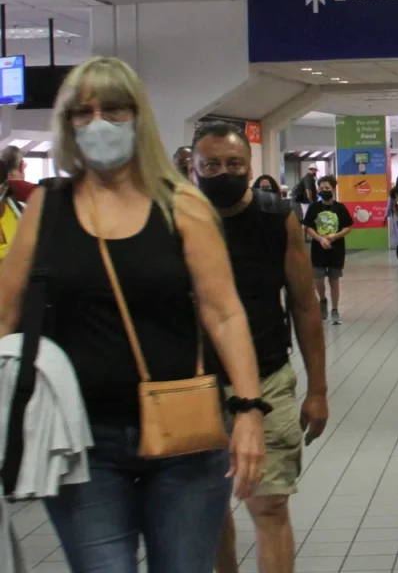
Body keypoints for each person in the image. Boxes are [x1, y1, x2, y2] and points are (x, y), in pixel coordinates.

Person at [0, 57, 265, 572]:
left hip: (186, 436)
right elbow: (6, 314)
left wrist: (250, 410)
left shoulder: (181, 206)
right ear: (67, 124)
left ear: (139, 117)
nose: (98, 123)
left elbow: (224, 313)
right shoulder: (47, 207)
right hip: (80, 443)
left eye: (115, 110)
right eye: (83, 112)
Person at [193, 124, 329, 573]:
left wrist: (318, 390)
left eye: (234, 164)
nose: (223, 173)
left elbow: (304, 305)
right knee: (209, 509)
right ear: (194, 169)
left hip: (267, 376)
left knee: (270, 505)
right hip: (194, 386)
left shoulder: (276, 217)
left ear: (250, 168)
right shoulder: (178, 219)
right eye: (211, 165)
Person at [302, 175, 352, 324]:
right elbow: (308, 227)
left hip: (336, 250)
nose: (324, 190)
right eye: (321, 188)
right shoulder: (314, 208)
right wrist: (320, 239)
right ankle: (323, 299)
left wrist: (335, 236)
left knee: (334, 280)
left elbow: (348, 227)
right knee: (318, 278)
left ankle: (335, 309)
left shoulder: (340, 208)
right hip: (318, 249)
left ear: (334, 189)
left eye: (327, 188)